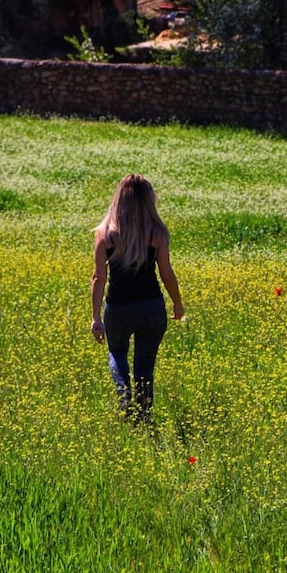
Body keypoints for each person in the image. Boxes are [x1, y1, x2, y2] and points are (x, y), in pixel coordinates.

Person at [90, 174, 184, 424]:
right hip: (151, 308)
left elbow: (98, 278)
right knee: (145, 368)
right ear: (148, 200)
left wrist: (95, 317)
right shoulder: (157, 233)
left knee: (117, 353)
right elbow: (166, 272)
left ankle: (123, 395)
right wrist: (177, 302)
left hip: (118, 309)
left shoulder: (105, 234)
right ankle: (143, 418)